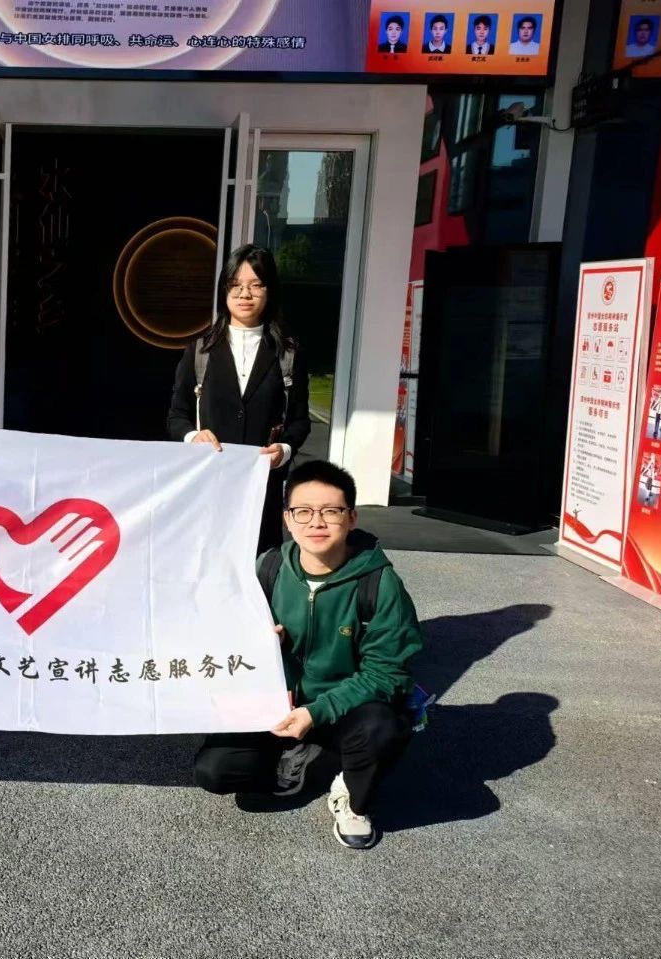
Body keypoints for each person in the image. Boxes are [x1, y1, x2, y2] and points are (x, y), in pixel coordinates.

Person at [193, 460, 422, 849]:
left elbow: (387, 674)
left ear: (351, 517)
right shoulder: (267, 568)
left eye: (331, 511)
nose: (316, 522)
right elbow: (225, 632)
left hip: (344, 707)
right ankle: (294, 752)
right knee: (215, 771)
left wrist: (316, 712)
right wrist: (257, 643)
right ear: (287, 518)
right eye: (303, 511)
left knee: (382, 728)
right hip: (279, 703)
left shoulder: (379, 583)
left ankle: (353, 795)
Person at [167, 244, 310, 555]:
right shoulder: (200, 350)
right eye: (236, 285)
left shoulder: (287, 354)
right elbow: (177, 415)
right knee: (207, 562)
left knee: (259, 566)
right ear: (225, 290)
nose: (245, 294)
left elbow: (300, 421)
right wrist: (193, 436)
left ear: (270, 291)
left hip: (262, 488)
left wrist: (284, 450)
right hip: (209, 485)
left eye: (256, 285)